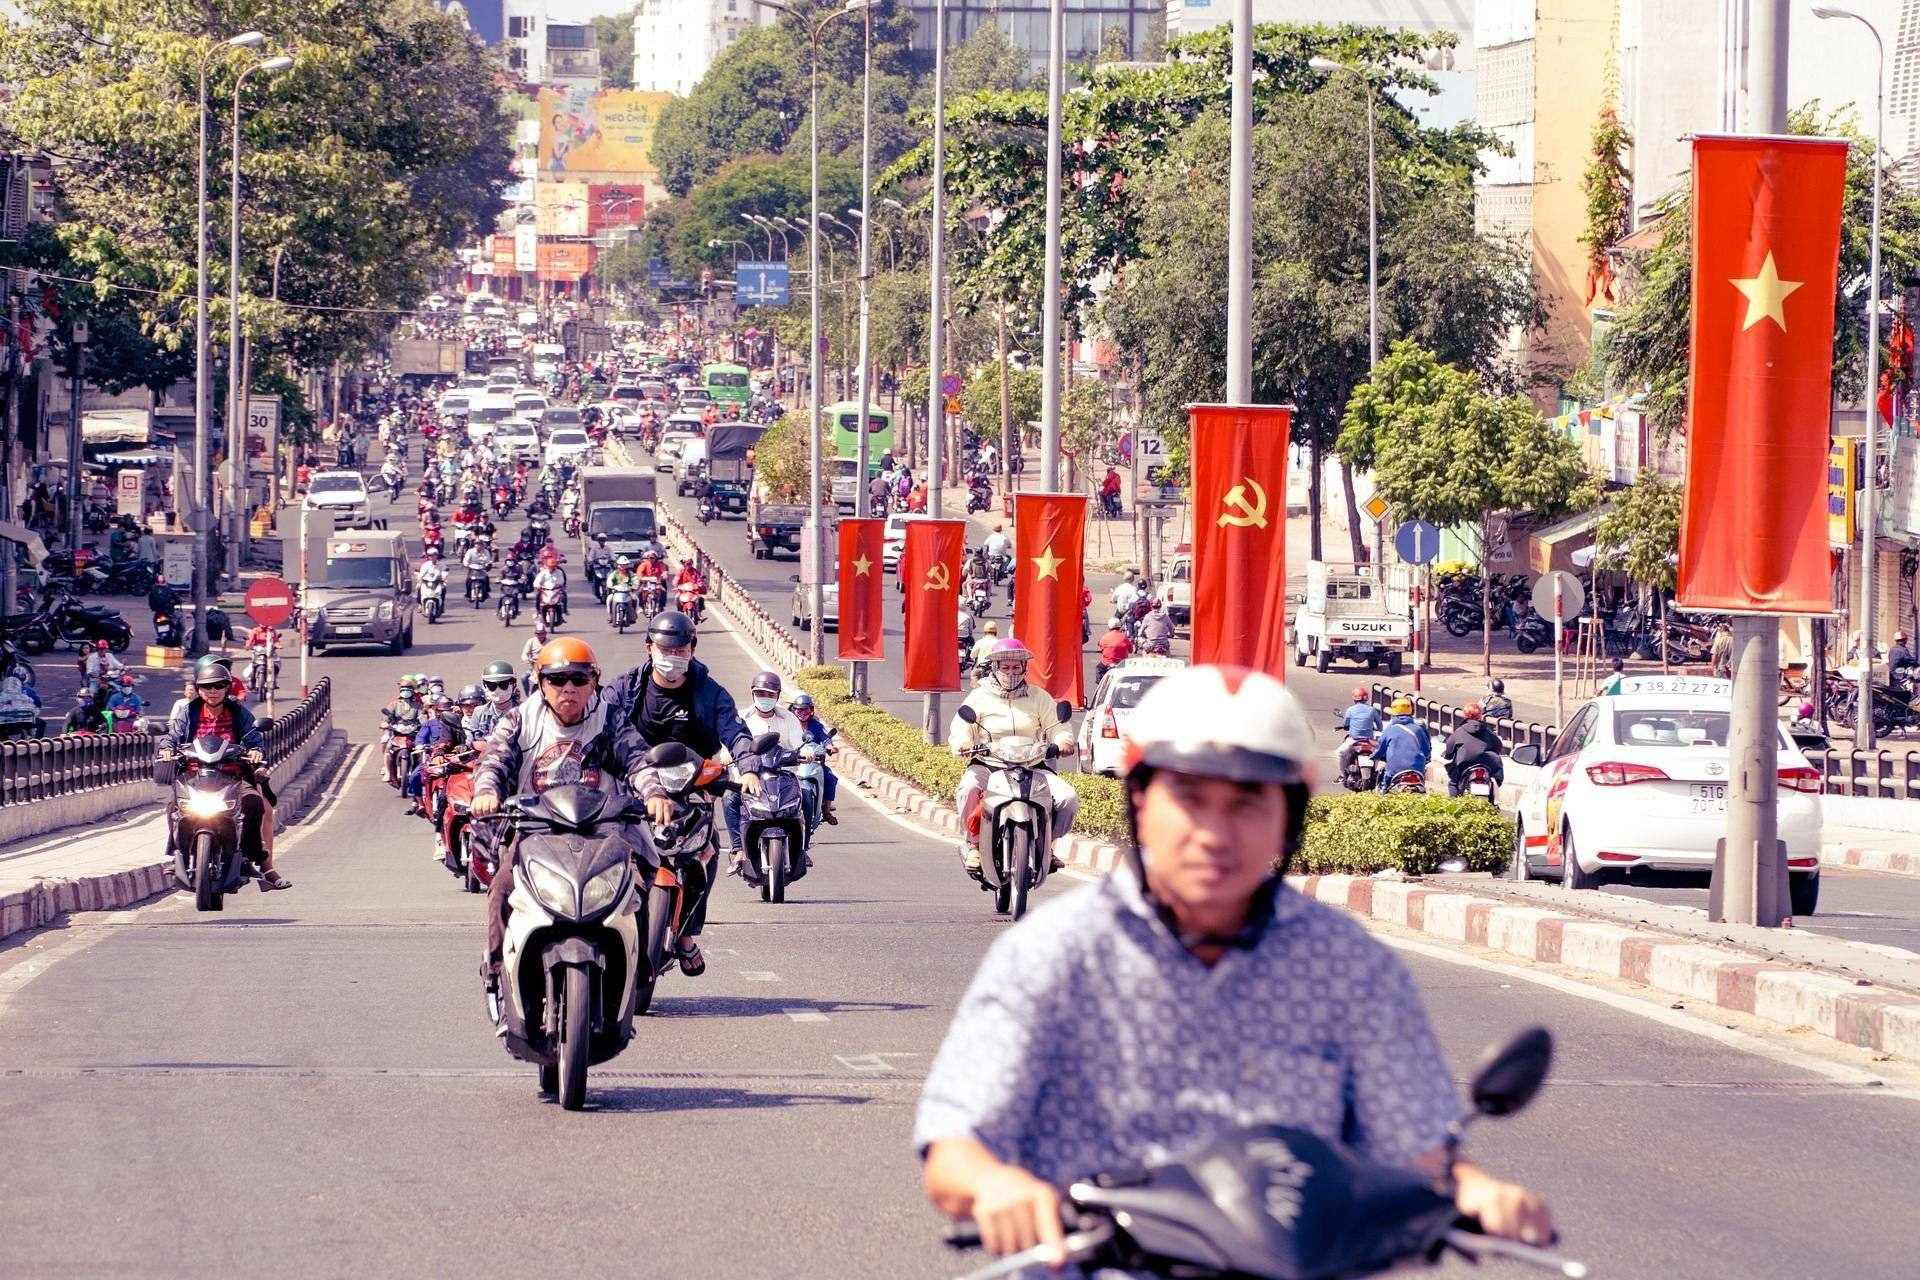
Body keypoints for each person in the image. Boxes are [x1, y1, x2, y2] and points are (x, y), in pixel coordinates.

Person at [915, 665, 1551, 1261]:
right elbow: (956, 1148)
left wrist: (1471, 1190)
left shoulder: (1349, 967)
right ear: (1140, 804)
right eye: (1189, 797)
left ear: (1288, 821)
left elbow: (1417, 1151)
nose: (1215, 833)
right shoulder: (1051, 955)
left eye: (1247, 803)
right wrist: (996, 1186)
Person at [473, 637, 644, 990]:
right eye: (557, 679)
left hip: (601, 828)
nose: (569, 688)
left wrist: (654, 792)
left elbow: (637, 758)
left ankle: (639, 968)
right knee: (502, 888)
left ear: (594, 682)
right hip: (536, 828)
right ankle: (495, 969)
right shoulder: (519, 720)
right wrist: (487, 792)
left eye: (579, 679)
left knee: (643, 882)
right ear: (540, 684)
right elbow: (494, 760)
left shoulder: (609, 717)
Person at [607, 610, 764, 975]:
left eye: (680, 649)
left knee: (707, 852)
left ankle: (686, 935)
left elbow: (736, 731)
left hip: (692, 789)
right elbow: (599, 722)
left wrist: (749, 769)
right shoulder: (625, 688)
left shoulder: (710, 692)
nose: (672, 656)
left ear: (692, 649)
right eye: (665, 648)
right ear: (649, 647)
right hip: (634, 786)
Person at [947, 637, 1078, 877]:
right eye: (1005, 667)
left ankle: (1048, 845)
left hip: (1033, 766)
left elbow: (1057, 727)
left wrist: (1063, 742)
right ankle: (974, 844)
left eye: (1016, 666)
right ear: (995, 668)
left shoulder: (1039, 697)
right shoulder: (979, 697)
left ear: (1024, 668)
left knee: (1068, 798)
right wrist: (964, 744)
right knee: (967, 789)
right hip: (989, 765)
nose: (1011, 672)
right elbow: (961, 728)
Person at [167, 658, 290, 891]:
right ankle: (176, 855)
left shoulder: (239, 712)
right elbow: (173, 736)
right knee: (172, 807)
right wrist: (166, 748)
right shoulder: (188, 712)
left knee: (253, 802)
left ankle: (251, 855)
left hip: (232, 775)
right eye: (206, 686)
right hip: (195, 776)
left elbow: (254, 738)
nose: (212, 691)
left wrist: (255, 752)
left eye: (218, 686)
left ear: (227, 688)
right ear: (198, 689)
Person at [725, 670, 816, 873]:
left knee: (807, 794)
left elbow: (799, 741)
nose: (764, 698)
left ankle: (803, 848)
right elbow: (730, 742)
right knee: (730, 797)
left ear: (777, 695)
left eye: (769, 694)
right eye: (760, 693)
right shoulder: (742, 718)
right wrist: (726, 754)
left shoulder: (788, 718)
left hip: (781, 772)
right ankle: (738, 850)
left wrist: (807, 751)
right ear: (753, 693)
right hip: (748, 774)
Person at [790, 691, 837, 826]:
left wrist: (830, 747)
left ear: (811, 710)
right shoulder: (789, 723)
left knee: (830, 779)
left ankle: (826, 811)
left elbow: (825, 738)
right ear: (794, 711)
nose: (802, 713)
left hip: (815, 762)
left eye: (805, 710)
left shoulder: (816, 725)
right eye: (798, 710)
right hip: (794, 762)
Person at [1442, 702, 1505, 796]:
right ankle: (1493, 803)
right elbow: (1498, 746)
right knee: (1494, 779)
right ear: (1480, 715)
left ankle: (1454, 807)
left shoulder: (1459, 731)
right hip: (1486, 764)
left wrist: (1447, 755)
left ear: (1465, 715)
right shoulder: (1488, 731)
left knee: (1453, 784)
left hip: (1464, 765)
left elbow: (1449, 748)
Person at [1375, 696, 1432, 791]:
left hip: (1395, 770)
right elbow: (1426, 750)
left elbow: (1380, 749)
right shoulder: (1418, 729)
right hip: (1417, 769)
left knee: (1384, 787)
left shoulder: (1390, 729)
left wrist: (1375, 756)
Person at [1336, 686, 1384, 783]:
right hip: (1369, 740)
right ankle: (1376, 773)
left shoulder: (1350, 710)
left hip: (1354, 739)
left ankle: (1342, 775)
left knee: (1340, 753)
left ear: (1354, 698)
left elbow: (1346, 724)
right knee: (1379, 753)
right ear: (1366, 698)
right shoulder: (1372, 710)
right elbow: (1380, 725)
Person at [466, 661, 519, 740]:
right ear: (485, 686)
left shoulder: (523, 712)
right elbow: (471, 738)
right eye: (492, 686)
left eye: (503, 685)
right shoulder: (479, 712)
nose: (497, 690)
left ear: (514, 685)